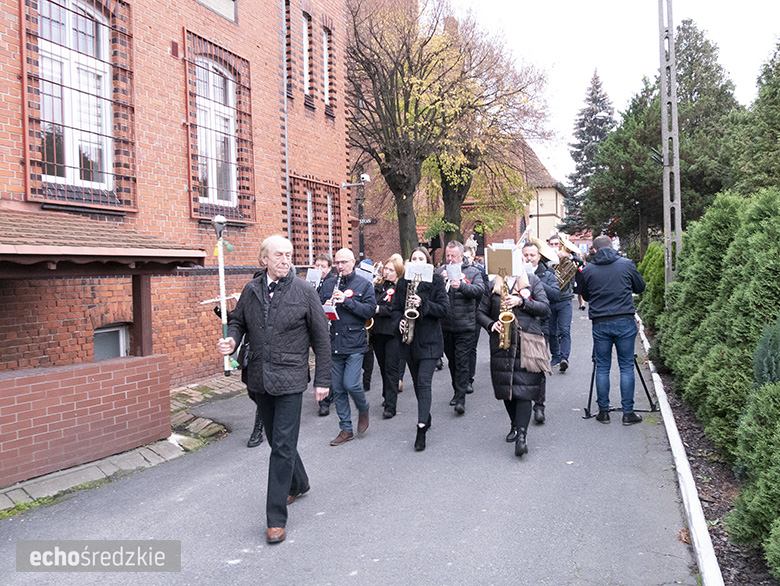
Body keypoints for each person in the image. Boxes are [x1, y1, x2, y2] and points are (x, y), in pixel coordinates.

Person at [216, 235, 330, 544]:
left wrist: (323, 380)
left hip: (292, 378)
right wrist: (232, 341)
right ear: (264, 258)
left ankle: (275, 519)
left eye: (289, 254)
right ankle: (299, 482)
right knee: (276, 440)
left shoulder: (305, 291)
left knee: (281, 445)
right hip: (260, 379)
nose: (285, 259)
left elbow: (322, 339)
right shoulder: (251, 290)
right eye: (278, 254)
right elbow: (238, 322)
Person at [476, 269, 549, 457]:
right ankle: (515, 424)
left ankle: (522, 436)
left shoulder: (532, 280)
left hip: (529, 340)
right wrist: (491, 325)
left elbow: (544, 307)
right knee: (506, 390)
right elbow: (481, 313)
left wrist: (522, 302)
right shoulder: (492, 285)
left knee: (524, 390)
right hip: (502, 343)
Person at [575, 235, 646, 425]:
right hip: (624, 320)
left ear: (595, 250)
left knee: (602, 367)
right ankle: (628, 413)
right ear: (612, 247)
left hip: (601, 322)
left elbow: (586, 295)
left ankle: (604, 412)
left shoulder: (588, 270)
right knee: (626, 366)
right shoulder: (626, 264)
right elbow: (640, 287)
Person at [392, 247, 449, 450]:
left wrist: (423, 302)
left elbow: (444, 309)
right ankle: (427, 414)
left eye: (421, 258)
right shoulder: (403, 283)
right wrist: (398, 320)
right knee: (417, 382)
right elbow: (395, 308)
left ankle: (421, 427)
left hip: (430, 341)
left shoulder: (436, 281)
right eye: (413, 258)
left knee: (424, 381)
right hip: (410, 341)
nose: (417, 261)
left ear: (427, 263)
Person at [320, 248, 377, 445]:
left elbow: (369, 310)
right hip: (335, 342)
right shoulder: (328, 284)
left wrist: (347, 301)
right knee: (338, 388)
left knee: (351, 383)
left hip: (354, 342)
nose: (339, 266)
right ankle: (346, 429)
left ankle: (363, 407)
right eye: (337, 262)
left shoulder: (364, 283)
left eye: (343, 262)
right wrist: (325, 306)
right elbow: (318, 309)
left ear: (353, 262)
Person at [436, 241, 485, 414]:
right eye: (447, 256)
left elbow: (480, 290)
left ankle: (461, 398)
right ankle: (457, 390)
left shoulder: (473, 272)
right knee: (453, 362)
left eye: (453, 256)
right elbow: (431, 295)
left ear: (461, 256)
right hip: (446, 326)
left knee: (462, 362)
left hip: (466, 325)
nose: (449, 259)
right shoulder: (440, 271)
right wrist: (439, 283)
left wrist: (462, 286)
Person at [522, 241, 561, 424]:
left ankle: (539, 406)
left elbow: (555, 295)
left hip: (540, 327)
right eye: (526, 255)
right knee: (520, 369)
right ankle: (522, 405)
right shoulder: (516, 272)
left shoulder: (547, 274)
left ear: (538, 257)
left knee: (537, 369)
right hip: (519, 327)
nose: (529, 258)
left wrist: (534, 280)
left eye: (532, 255)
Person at [372, 255, 404, 419]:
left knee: (391, 368)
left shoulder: (400, 288)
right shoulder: (377, 285)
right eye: (386, 268)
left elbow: (395, 308)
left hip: (392, 332)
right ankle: (387, 395)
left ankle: (391, 405)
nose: (387, 272)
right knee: (383, 366)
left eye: (391, 270)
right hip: (377, 331)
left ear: (398, 273)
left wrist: (380, 310)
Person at [546, 234, 579, 373]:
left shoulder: (570, 259)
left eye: (556, 244)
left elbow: (580, 261)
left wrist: (569, 255)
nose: (554, 247)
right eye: (551, 244)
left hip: (565, 299)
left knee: (564, 330)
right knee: (552, 331)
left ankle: (564, 358)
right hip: (550, 300)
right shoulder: (545, 260)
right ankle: (555, 356)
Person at [464, 247, 490, 394]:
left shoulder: (480, 271)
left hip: (475, 312)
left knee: (471, 347)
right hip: (460, 315)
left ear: (473, 257)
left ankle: (469, 379)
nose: (465, 260)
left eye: (467, 257)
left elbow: (484, 292)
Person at [313, 253, 337, 416]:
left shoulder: (331, 282)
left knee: (326, 362)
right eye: (317, 265)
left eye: (323, 266)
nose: (319, 269)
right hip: (314, 326)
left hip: (327, 327)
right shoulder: (311, 281)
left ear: (329, 268)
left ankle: (325, 401)